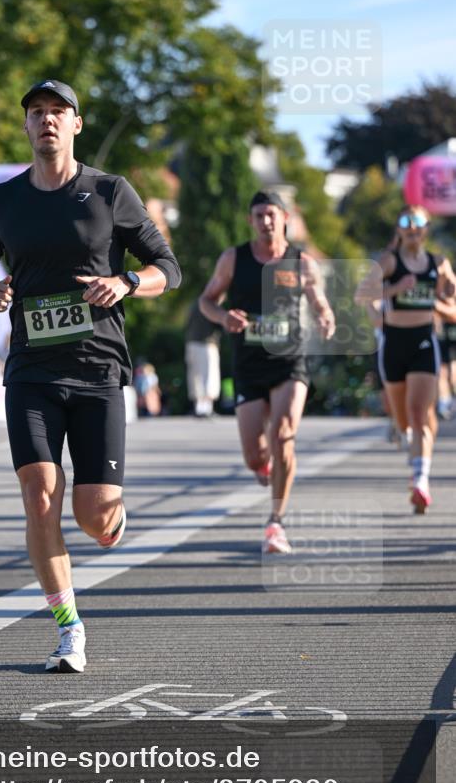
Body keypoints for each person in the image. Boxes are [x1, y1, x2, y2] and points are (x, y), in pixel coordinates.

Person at [0, 79, 181, 672]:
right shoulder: (2, 201)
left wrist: (128, 282)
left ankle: (111, 513)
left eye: (59, 112)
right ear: (26, 127)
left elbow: (168, 267)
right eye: (36, 112)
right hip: (31, 368)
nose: (47, 120)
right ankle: (68, 627)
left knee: (94, 517)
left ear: (76, 124)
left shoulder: (110, 191)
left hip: (99, 368)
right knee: (39, 496)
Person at [199, 190, 336, 554]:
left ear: (285, 217)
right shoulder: (234, 259)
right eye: (259, 215)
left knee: (284, 432)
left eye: (272, 214)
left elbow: (318, 298)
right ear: (251, 220)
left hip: (289, 360)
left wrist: (324, 314)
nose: (266, 221)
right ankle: (265, 469)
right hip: (248, 362)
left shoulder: (301, 261)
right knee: (255, 455)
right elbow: (207, 300)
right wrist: (223, 316)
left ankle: (276, 522)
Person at [356, 206, 456, 512]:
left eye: (417, 222)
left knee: (419, 414)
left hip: (424, 342)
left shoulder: (439, 264)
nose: (412, 227)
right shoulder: (389, 261)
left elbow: (453, 310)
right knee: (404, 422)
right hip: (394, 344)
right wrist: (395, 288)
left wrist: (438, 305)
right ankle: (414, 455)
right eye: (405, 221)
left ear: (426, 228)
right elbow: (362, 294)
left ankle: (421, 481)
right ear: (398, 230)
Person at [185, 298, 222, 417]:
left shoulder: (194, 304)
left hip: (192, 343)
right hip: (207, 343)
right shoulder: (211, 306)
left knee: (195, 375)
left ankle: (199, 407)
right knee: (209, 375)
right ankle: (206, 407)